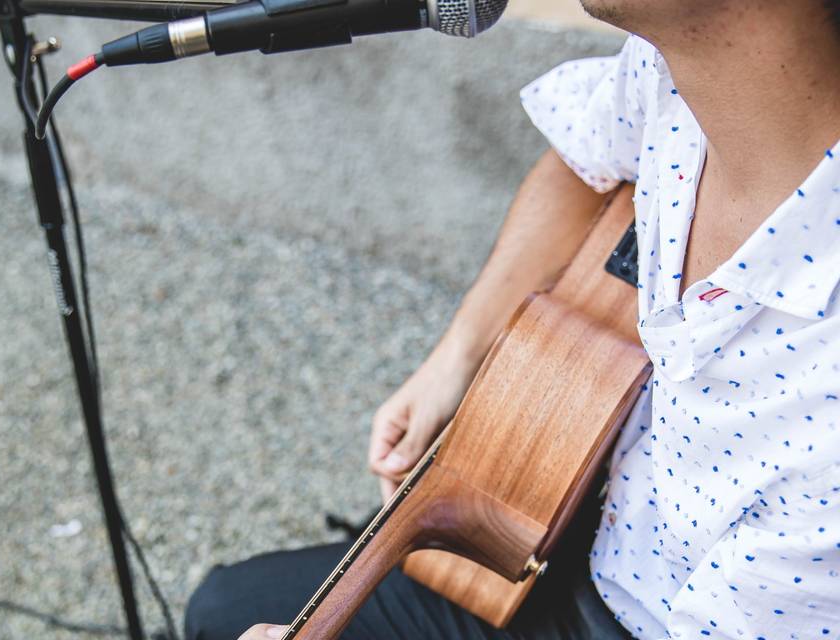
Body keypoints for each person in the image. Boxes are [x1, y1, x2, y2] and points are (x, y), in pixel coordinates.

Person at [186, 1, 840, 638]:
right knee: (223, 607)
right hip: (595, 519)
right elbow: (586, 162)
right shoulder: (683, 65)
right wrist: (460, 357)